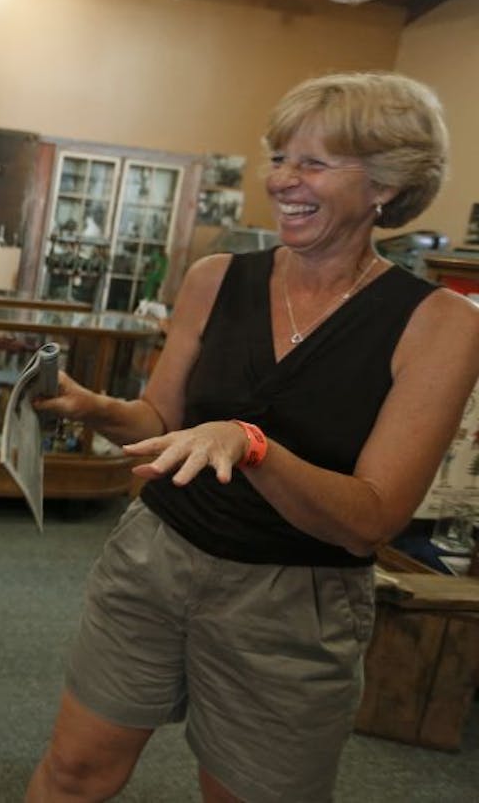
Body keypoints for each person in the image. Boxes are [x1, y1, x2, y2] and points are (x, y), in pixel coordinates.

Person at [26, 72, 479, 803]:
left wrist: (253, 445)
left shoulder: (439, 325)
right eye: (279, 157)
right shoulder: (214, 278)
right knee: (76, 772)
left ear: (384, 188)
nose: (281, 181)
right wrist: (94, 407)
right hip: (155, 559)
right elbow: (164, 426)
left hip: (294, 601)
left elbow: (372, 518)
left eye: (314, 163)